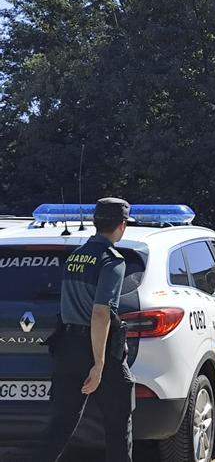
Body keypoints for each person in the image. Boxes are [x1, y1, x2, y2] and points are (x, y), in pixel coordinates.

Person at [38, 198, 134, 462]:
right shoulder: (112, 261)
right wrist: (99, 364)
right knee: (118, 422)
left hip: (67, 346)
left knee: (60, 426)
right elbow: (101, 313)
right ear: (122, 225)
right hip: (97, 349)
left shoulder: (75, 255)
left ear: (95, 222)